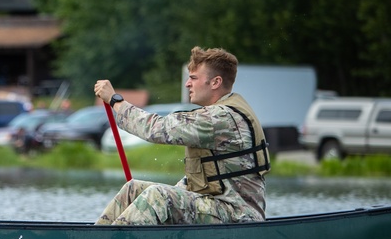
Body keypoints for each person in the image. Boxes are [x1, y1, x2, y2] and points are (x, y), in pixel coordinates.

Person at [93, 46, 270, 225]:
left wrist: (115, 101)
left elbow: (156, 128)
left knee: (157, 196)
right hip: (218, 208)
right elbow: (199, 181)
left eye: (193, 78)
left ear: (215, 82)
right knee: (134, 189)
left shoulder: (219, 118)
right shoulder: (218, 113)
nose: (187, 84)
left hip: (237, 217)